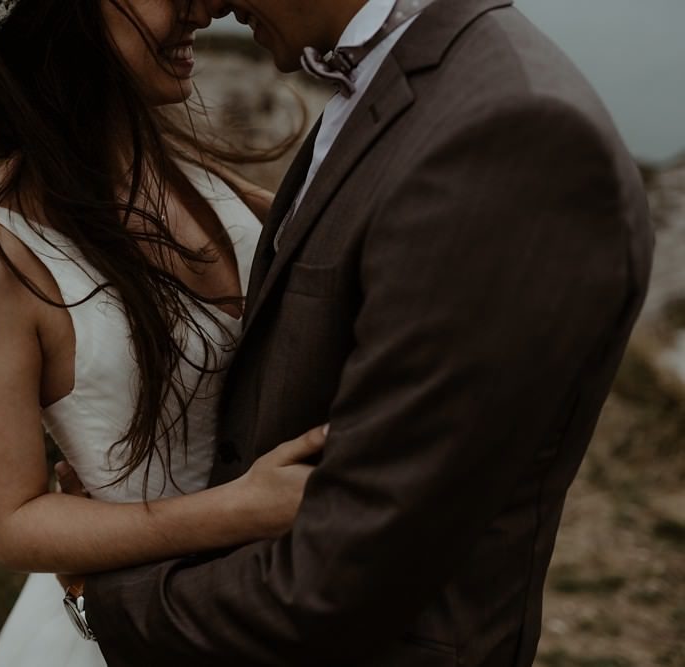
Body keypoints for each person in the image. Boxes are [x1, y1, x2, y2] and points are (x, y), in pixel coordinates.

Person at [64, 0, 655, 665]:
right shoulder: (401, 81)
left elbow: (342, 575)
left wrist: (102, 600)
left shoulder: (514, 132)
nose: (216, 4)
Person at [0, 0, 324, 665]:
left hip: (274, 602)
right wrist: (242, 509)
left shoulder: (187, 173)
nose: (204, 9)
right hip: (128, 629)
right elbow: (15, 524)